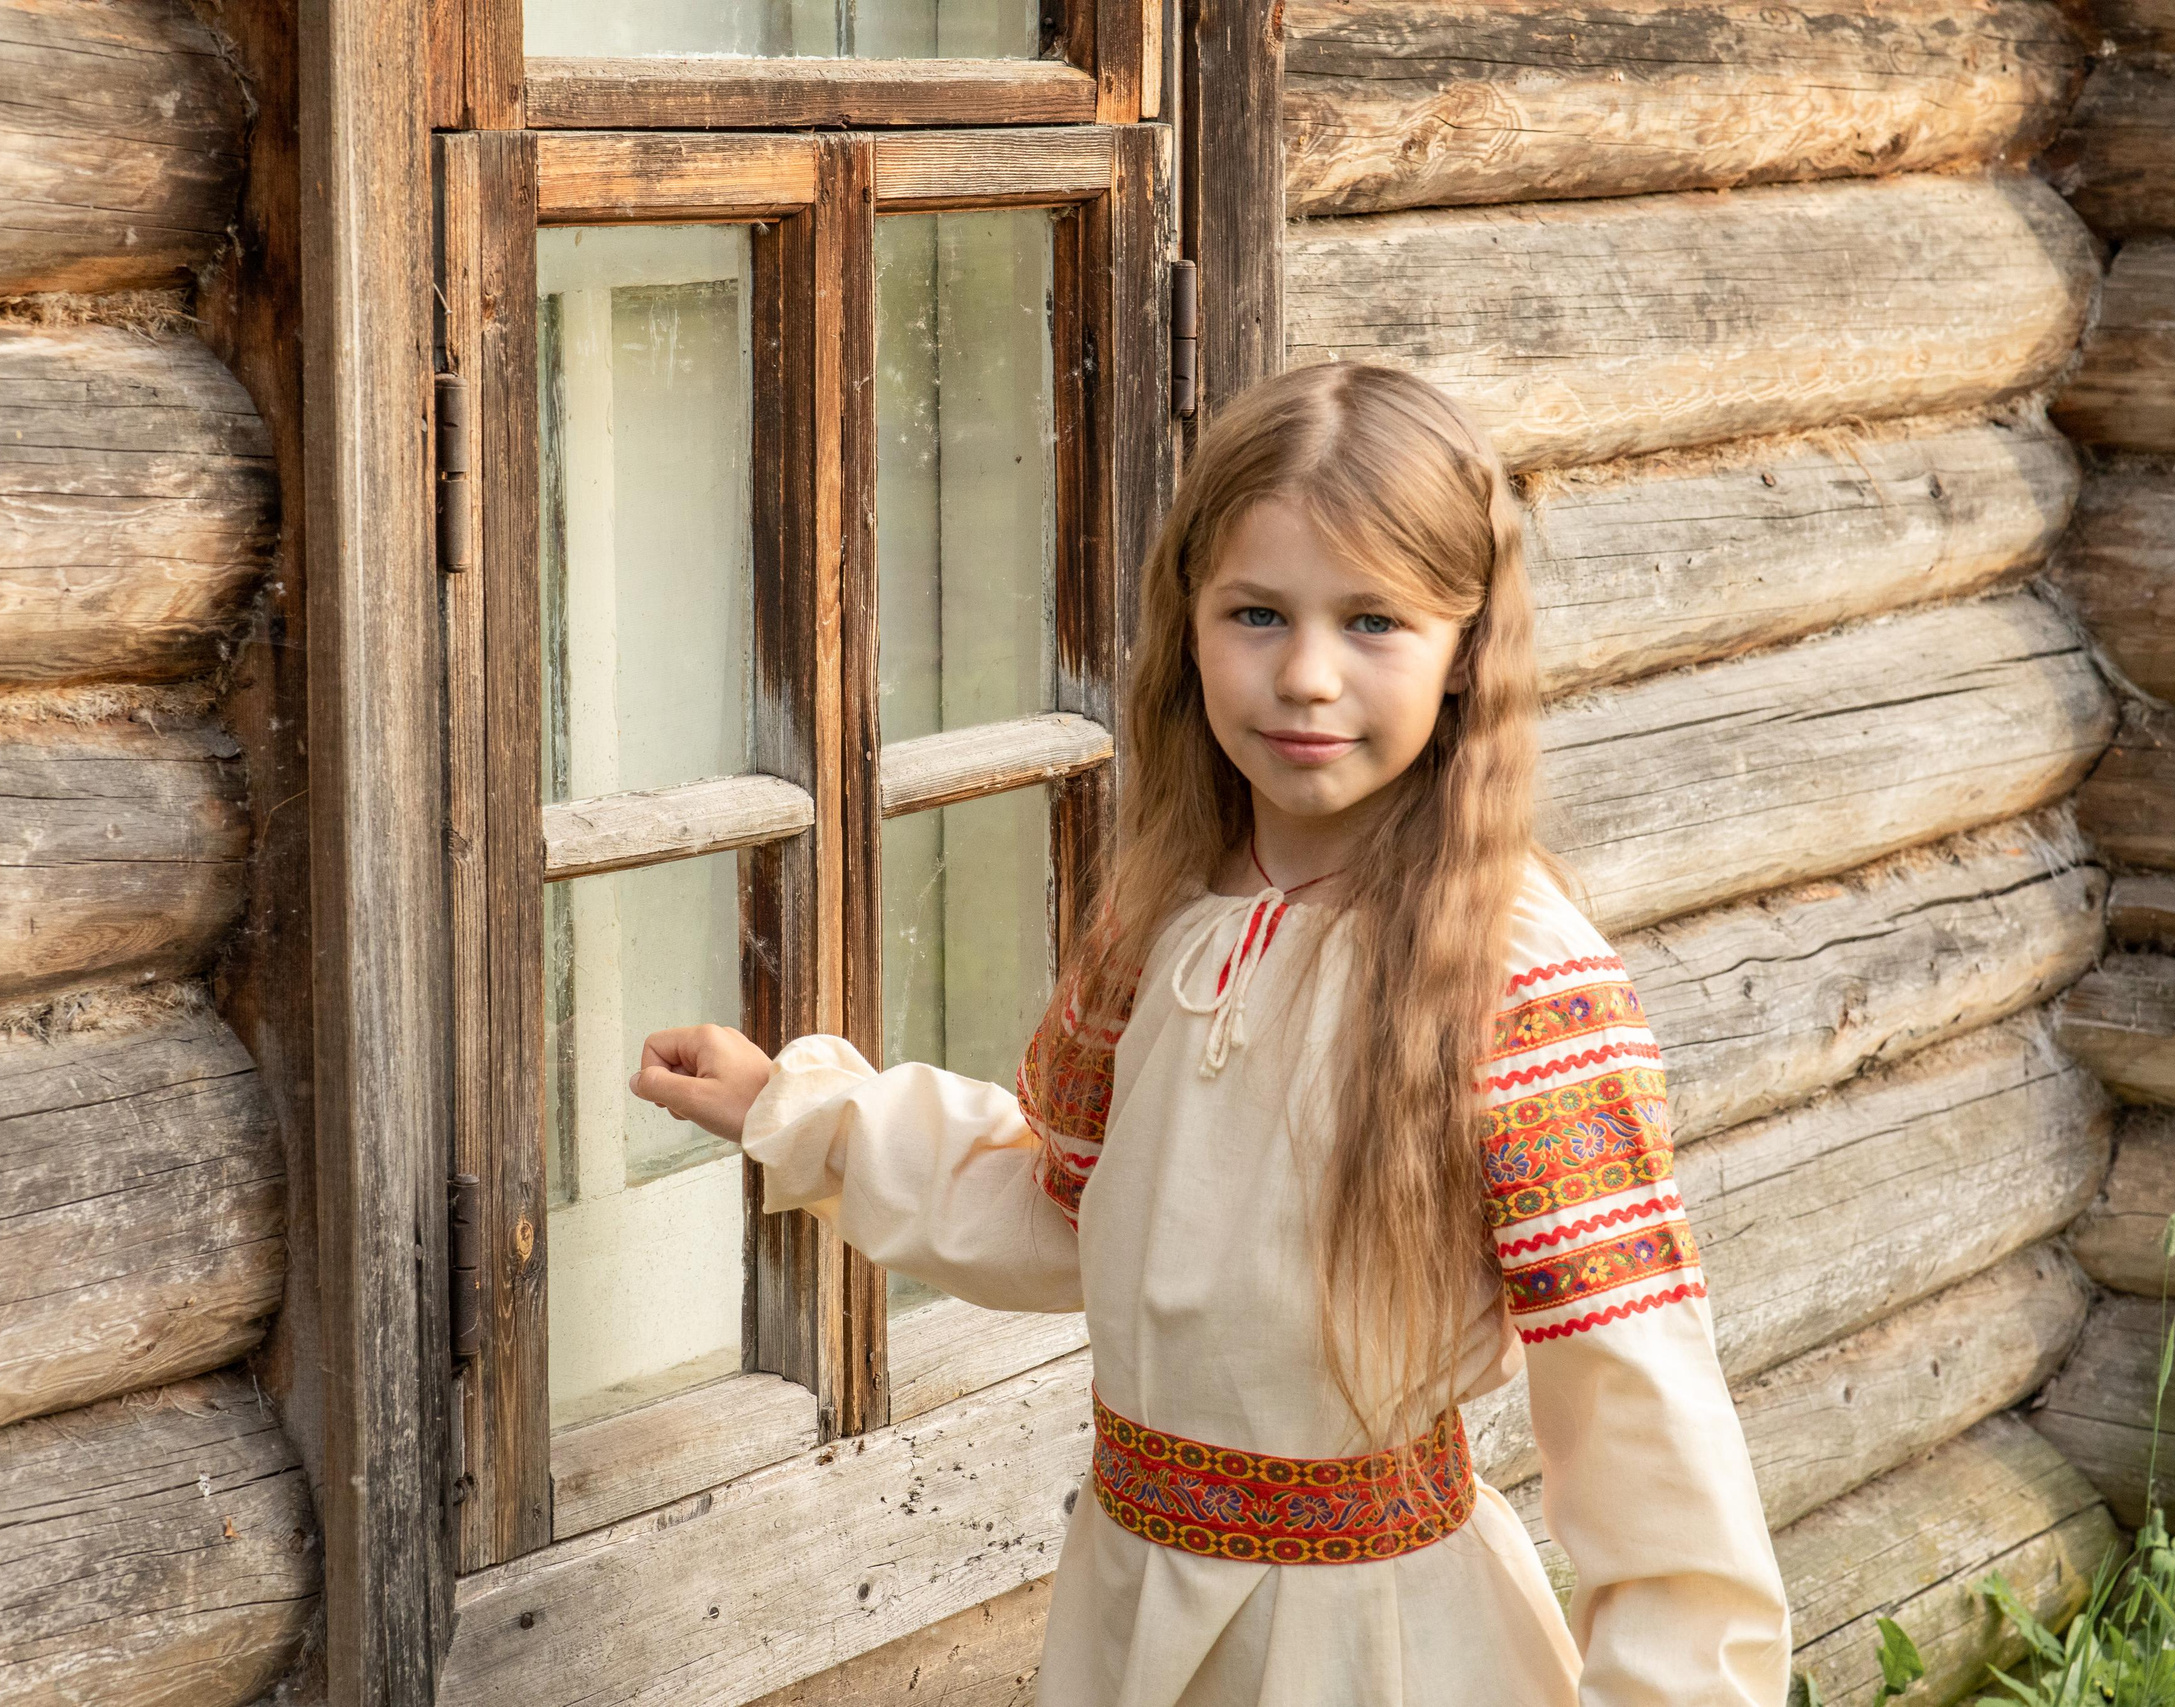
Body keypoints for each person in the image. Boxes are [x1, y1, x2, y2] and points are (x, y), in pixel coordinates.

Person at [630, 361, 1793, 1704]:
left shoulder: (1520, 985)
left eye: (1372, 622)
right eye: (1257, 613)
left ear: (1467, 645)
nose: (1305, 676)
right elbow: (1062, 1205)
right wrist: (799, 1107)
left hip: (1379, 1651)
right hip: (1133, 1616)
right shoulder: (1161, 913)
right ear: (1187, 623)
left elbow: (1635, 1396)